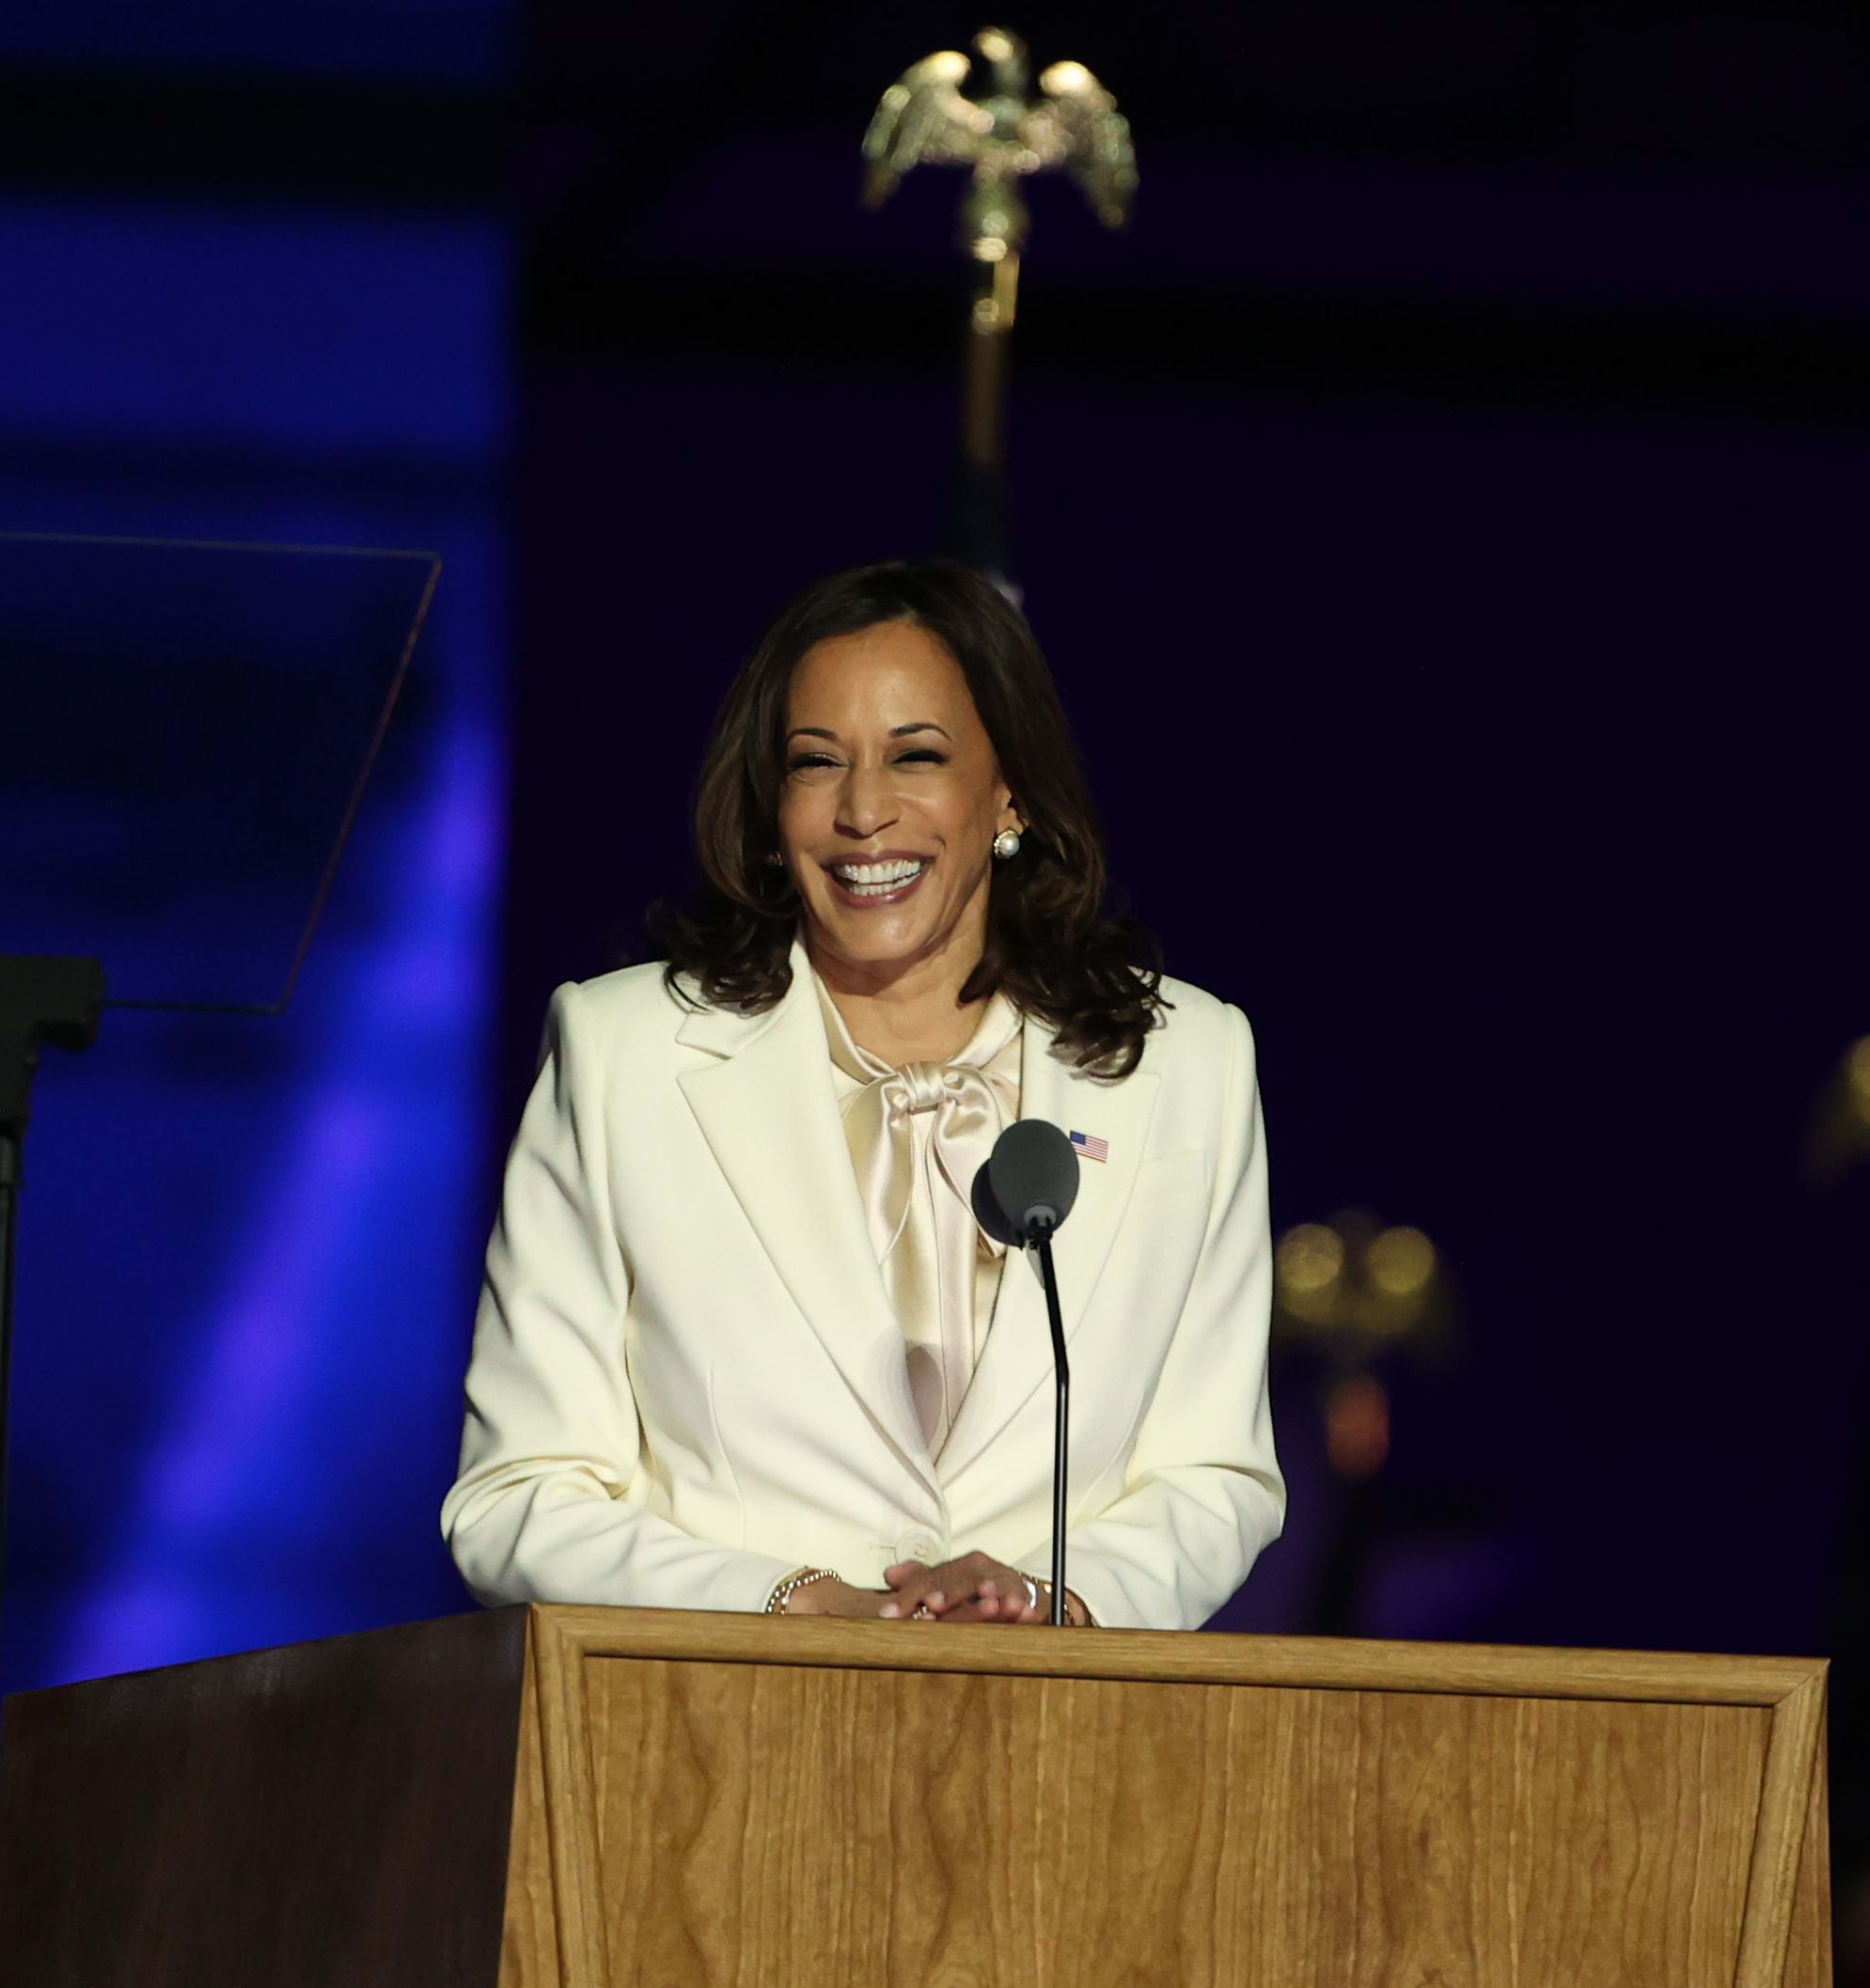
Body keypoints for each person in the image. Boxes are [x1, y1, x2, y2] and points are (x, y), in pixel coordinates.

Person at [443, 560, 1281, 1628]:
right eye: (815, 763)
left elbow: (1216, 1479)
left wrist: (1051, 1602)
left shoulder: (1188, 1065)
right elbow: (515, 1500)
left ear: (1007, 789)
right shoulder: (624, 1056)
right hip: (707, 1747)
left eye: (916, 756)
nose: (863, 812)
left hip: (1058, 1748)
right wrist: (788, 1604)